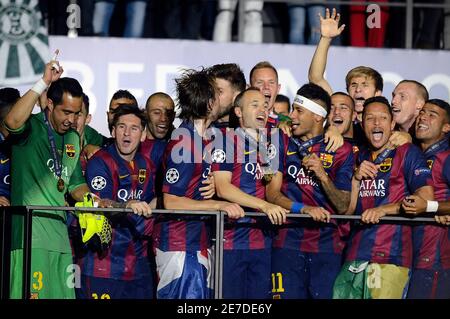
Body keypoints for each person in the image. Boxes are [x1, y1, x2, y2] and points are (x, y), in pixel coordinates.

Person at [4, 60, 108, 299]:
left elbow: (75, 185)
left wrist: (95, 200)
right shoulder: (30, 129)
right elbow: (11, 122)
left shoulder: (73, 139)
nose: (72, 120)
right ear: (50, 105)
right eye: (66, 112)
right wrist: (43, 83)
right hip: (30, 237)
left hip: (60, 239)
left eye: (77, 113)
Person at [155, 68, 244, 299]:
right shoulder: (184, 143)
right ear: (209, 103)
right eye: (217, 94)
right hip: (179, 246)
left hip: (195, 241)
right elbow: (171, 201)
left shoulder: (206, 138)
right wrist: (219, 205)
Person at [333, 96, 434, 299]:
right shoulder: (357, 156)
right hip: (354, 255)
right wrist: (355, 179)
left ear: (393, 123)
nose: (377, 123)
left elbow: (424, 200)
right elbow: (347, 211)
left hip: (390, 259)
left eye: (383, 118)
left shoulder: (407, 152)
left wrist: (383, 210)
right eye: (370, 118)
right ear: (362, 124)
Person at [266, 83, 355, 299]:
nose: (292, 116)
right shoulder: (279, 140)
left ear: (317, 117)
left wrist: (322, 175)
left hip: (327, 247)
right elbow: (272, 194)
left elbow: (343, 205)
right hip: (286, 244)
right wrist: (303, 209)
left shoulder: (342, 149)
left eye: (299, 111)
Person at [211, 87, 288, 299]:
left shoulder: (271, 145)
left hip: (262, 240)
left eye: (265, 105)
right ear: (238, 112)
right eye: (254, 105)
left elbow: (273, 187)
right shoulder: (224, 140)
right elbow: (223, 187)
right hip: (230, 241)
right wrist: (264, 206)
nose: (262, 109)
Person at [78, 104, 154, 299]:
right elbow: (100, 203)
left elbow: (154, 200)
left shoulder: (147, 164)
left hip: (138, 265)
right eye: (121, 127)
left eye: (134, 128)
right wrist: (126, 206)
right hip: (103, 264)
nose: (127, 133)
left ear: (143, 134)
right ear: (113, 131)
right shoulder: (100, 161)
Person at [401, 99, 450, 299]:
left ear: (446, 127)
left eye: (432, 114)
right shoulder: (413, 154)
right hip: (412, 257)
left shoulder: (446, 157)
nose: (423, 117)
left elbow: (428, 206)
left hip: (435, 260)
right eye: (422, 112)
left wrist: (431, 207)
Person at [209, 63, 246, 129]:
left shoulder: (250, 132)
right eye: (211, 91)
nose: (213, 96)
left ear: (236, 97)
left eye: (219, 91)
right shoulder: (200, 129)